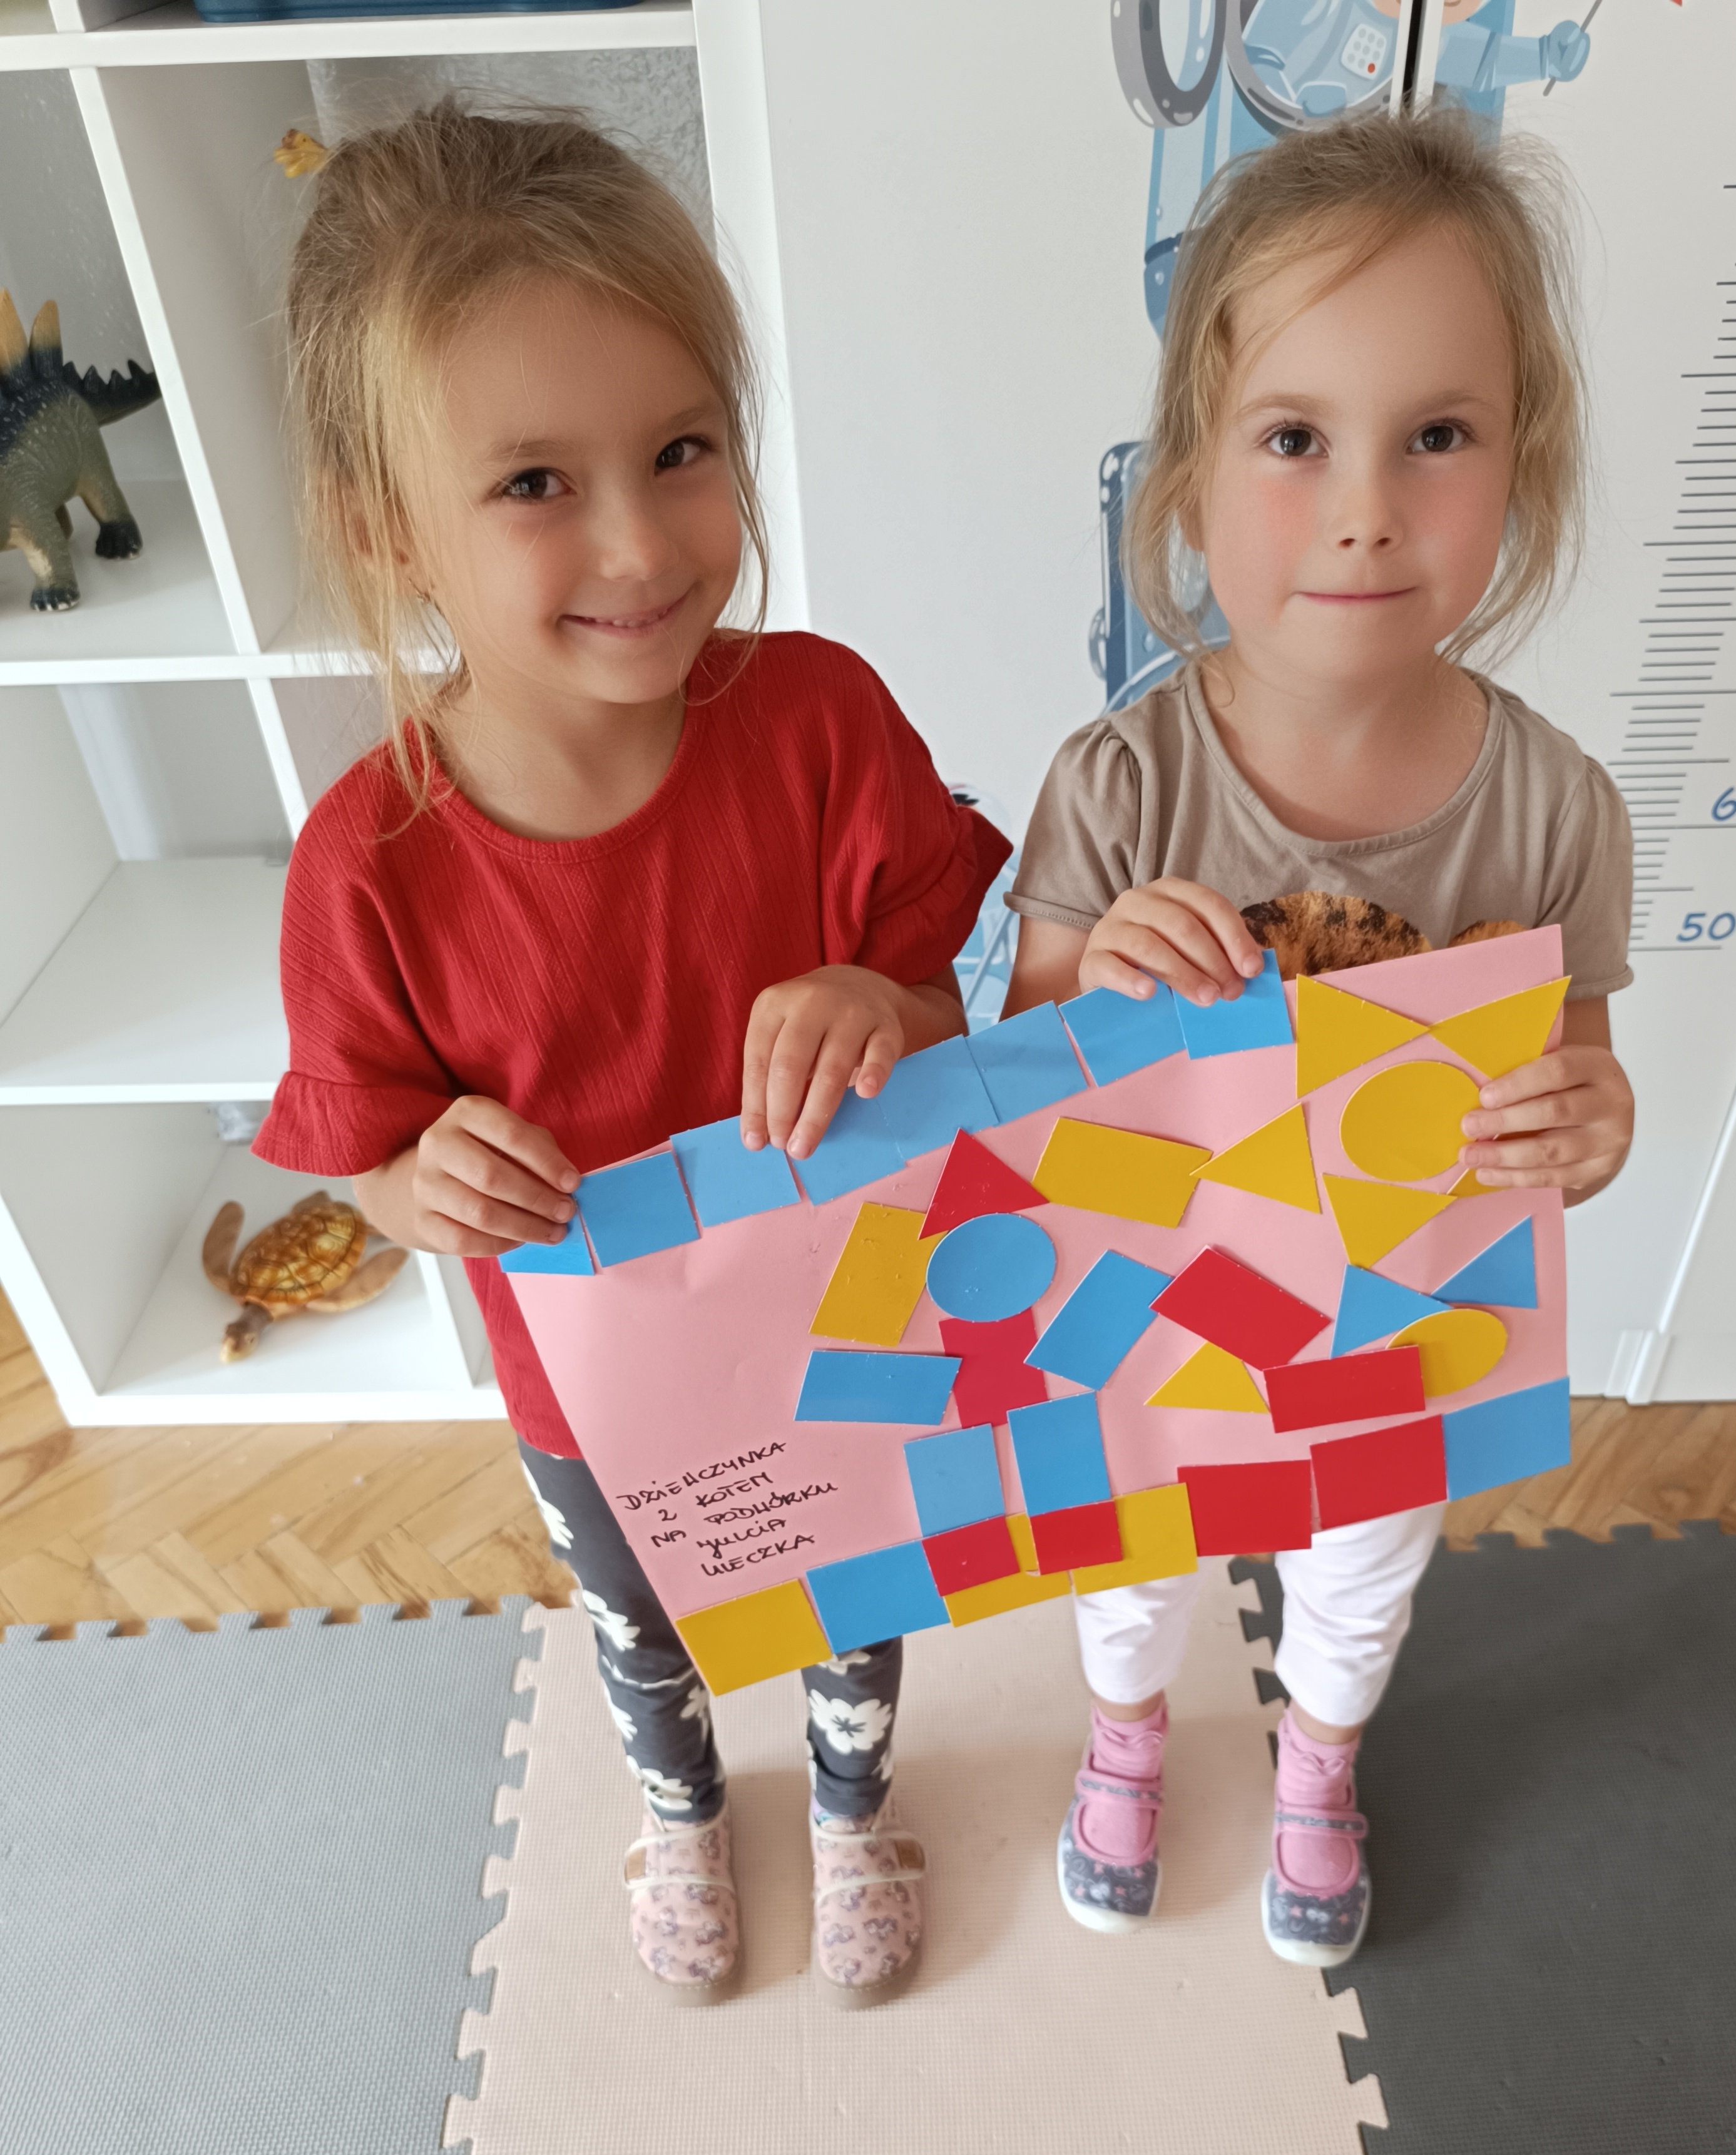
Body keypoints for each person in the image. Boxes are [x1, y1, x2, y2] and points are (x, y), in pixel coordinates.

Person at [255, 104, 1005, 2008]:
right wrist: (413, 1183)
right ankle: (681, 1811)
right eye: (534, 483)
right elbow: (366, 1154)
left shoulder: (821, 719)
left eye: (682, 450)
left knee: (856, 1592)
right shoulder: (370, 860)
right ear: (386, 527)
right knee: (642, 1623)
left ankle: (852, 1807)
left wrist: (885, 1005)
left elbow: (954, 999)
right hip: (581, 1384)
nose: (642, 543)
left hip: (845, 1315)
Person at [1003, 110, 1634, 1966]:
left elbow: (1579, 1078)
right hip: (1152, 1316)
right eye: (1294, 439)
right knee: (1128, 1565)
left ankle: (1317, 1764)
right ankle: (1129, 1733)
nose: (1366, 508)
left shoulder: (1552, 807)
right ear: (1193, 472)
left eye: (1436, 436)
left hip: (1387, 1341)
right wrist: (1092, 987)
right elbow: (1017, 1096)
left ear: (1520, 461)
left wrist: (1593, 1123)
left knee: (1358, 1580)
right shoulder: (1120, 782)